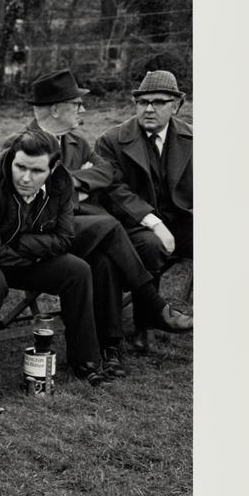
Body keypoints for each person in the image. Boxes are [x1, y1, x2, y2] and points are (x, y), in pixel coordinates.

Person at [25, 69, 192, 376]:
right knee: (110, 228)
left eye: (158, 103)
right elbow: (34, 195)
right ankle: (154, 307)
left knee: (104, 259)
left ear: (176, 106)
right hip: (40, 233)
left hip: (81, 228)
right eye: (77, 104)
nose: (83, 110)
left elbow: (106, 174)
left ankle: (108, 349)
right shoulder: (24, 143)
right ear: (56, 109)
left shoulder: (75, 141)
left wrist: (69, 183)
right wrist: (73, 188)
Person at [0, 128, 111, 386]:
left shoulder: (61, 182)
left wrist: (25, 245)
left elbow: (64, 237)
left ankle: (85, 360)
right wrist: (35, 254)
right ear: (12, 159)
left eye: (37, 171)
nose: (26, 178)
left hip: (21, 255)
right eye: (20, 167)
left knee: (77, 270)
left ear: (53, 169)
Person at [95, 70, 193, 352]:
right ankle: (145, 324)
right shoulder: (112, 140)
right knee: (152, 245)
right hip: (131, 224)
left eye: (159, 102)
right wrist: (153, 222)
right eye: (143, 102)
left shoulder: (193, 138)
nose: (149, 108)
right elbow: (112, 188)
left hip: (180, 219)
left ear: (176, 105)